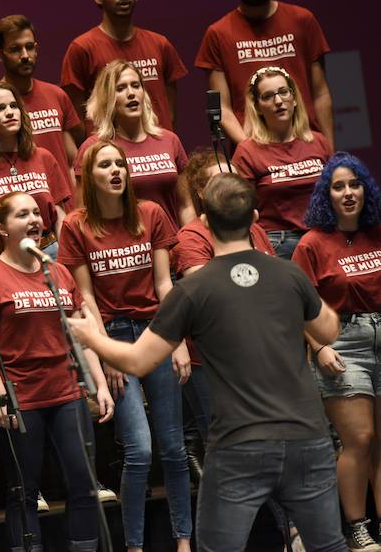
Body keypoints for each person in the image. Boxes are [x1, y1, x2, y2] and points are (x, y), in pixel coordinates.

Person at [70, 172, 345, 552]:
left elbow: (137, 361)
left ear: (205, 221)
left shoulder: (193, 290)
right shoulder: (289, 274)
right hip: (307, 437)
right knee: (328, 547)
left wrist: (91, 338)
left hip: (238, 445)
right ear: (254, 218)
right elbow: (328, 330)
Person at [61, 140, 192, 552]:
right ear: (89, 176)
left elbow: (165, 284)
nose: (116, 170)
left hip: (156, 331)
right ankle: (134, 547)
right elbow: (85, 298)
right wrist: (105, 352)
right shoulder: (76, 225)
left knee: (174, 448)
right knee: (139, 449)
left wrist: (177, 340)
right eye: (105, 165)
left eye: (120, 163)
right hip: (113, 332)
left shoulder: (150, 214)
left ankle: (184, 542)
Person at [0, 190, 112, 552]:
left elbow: (82, 333)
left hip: (67, 393)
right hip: (21, 398)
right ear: (2, 228)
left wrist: (100, 384)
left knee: (83, 484)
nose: (33, 219)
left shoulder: (57, 271)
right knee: (23, 490)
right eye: (22, 214)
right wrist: (0, 396)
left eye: (36, 212)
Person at [292, 152, 381, 552]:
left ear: (365, 190)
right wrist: (319, 346)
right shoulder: (312, 244)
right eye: (339, 186)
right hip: (342, 343)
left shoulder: (376, 232)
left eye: (355, 185)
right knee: (360, 439)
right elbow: (298, 306)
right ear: (326, 195)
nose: (348, 193)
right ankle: (357, 527)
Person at [172, 151, 274, 441]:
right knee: (225, 444)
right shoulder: (191, 237)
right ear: (201, 192)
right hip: (213, 362)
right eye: (220, 181)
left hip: (261, 351)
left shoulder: (256, 229)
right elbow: (214, 295)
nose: (230, 187)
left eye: (234, 179)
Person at [195, 0, 334, 147]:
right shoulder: (218, 34)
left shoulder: (302, 20)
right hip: (254, 151)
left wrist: (330, 152)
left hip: (307, 147)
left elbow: (321, 94)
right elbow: (223, 108)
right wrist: (252, 152)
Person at [61, 0, 187, 136]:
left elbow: (169, 113)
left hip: (158, 148)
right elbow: (76, 119)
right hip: (109, 149)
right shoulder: (82, 48)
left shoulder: (160, 44)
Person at [0, 82, 71, 264]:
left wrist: (65, 262)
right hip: (4, 258)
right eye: (0, 108)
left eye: (14, 106)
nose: (9, 112)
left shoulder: (43, 157)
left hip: (50, 252)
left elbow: (59, 217)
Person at [75, 60, 193, 231]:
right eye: (121, 88)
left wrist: (189, 241)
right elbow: (82, 213)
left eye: (136, 86)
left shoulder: (169, 140)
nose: (131, 93)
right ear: (107, 99)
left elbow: (185, 206)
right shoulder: (93, 148)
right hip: (123, 244)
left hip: (171, 242)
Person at [0, 15, 83, 187]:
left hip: (61, 201)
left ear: (36, 49)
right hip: (17, 200)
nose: (25, 55)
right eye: (15, 49)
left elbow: (73, 163)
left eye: (29, 47)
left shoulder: (57, 95)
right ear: (0, 55)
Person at [233, 65, 332, 259]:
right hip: (278, 243)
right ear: (258, 107)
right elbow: (242, 213)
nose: (278, 101)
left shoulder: (318, 141)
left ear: (294, 99)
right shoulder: (247, 151)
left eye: (283, 92)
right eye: (268, 96)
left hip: (323, 235)